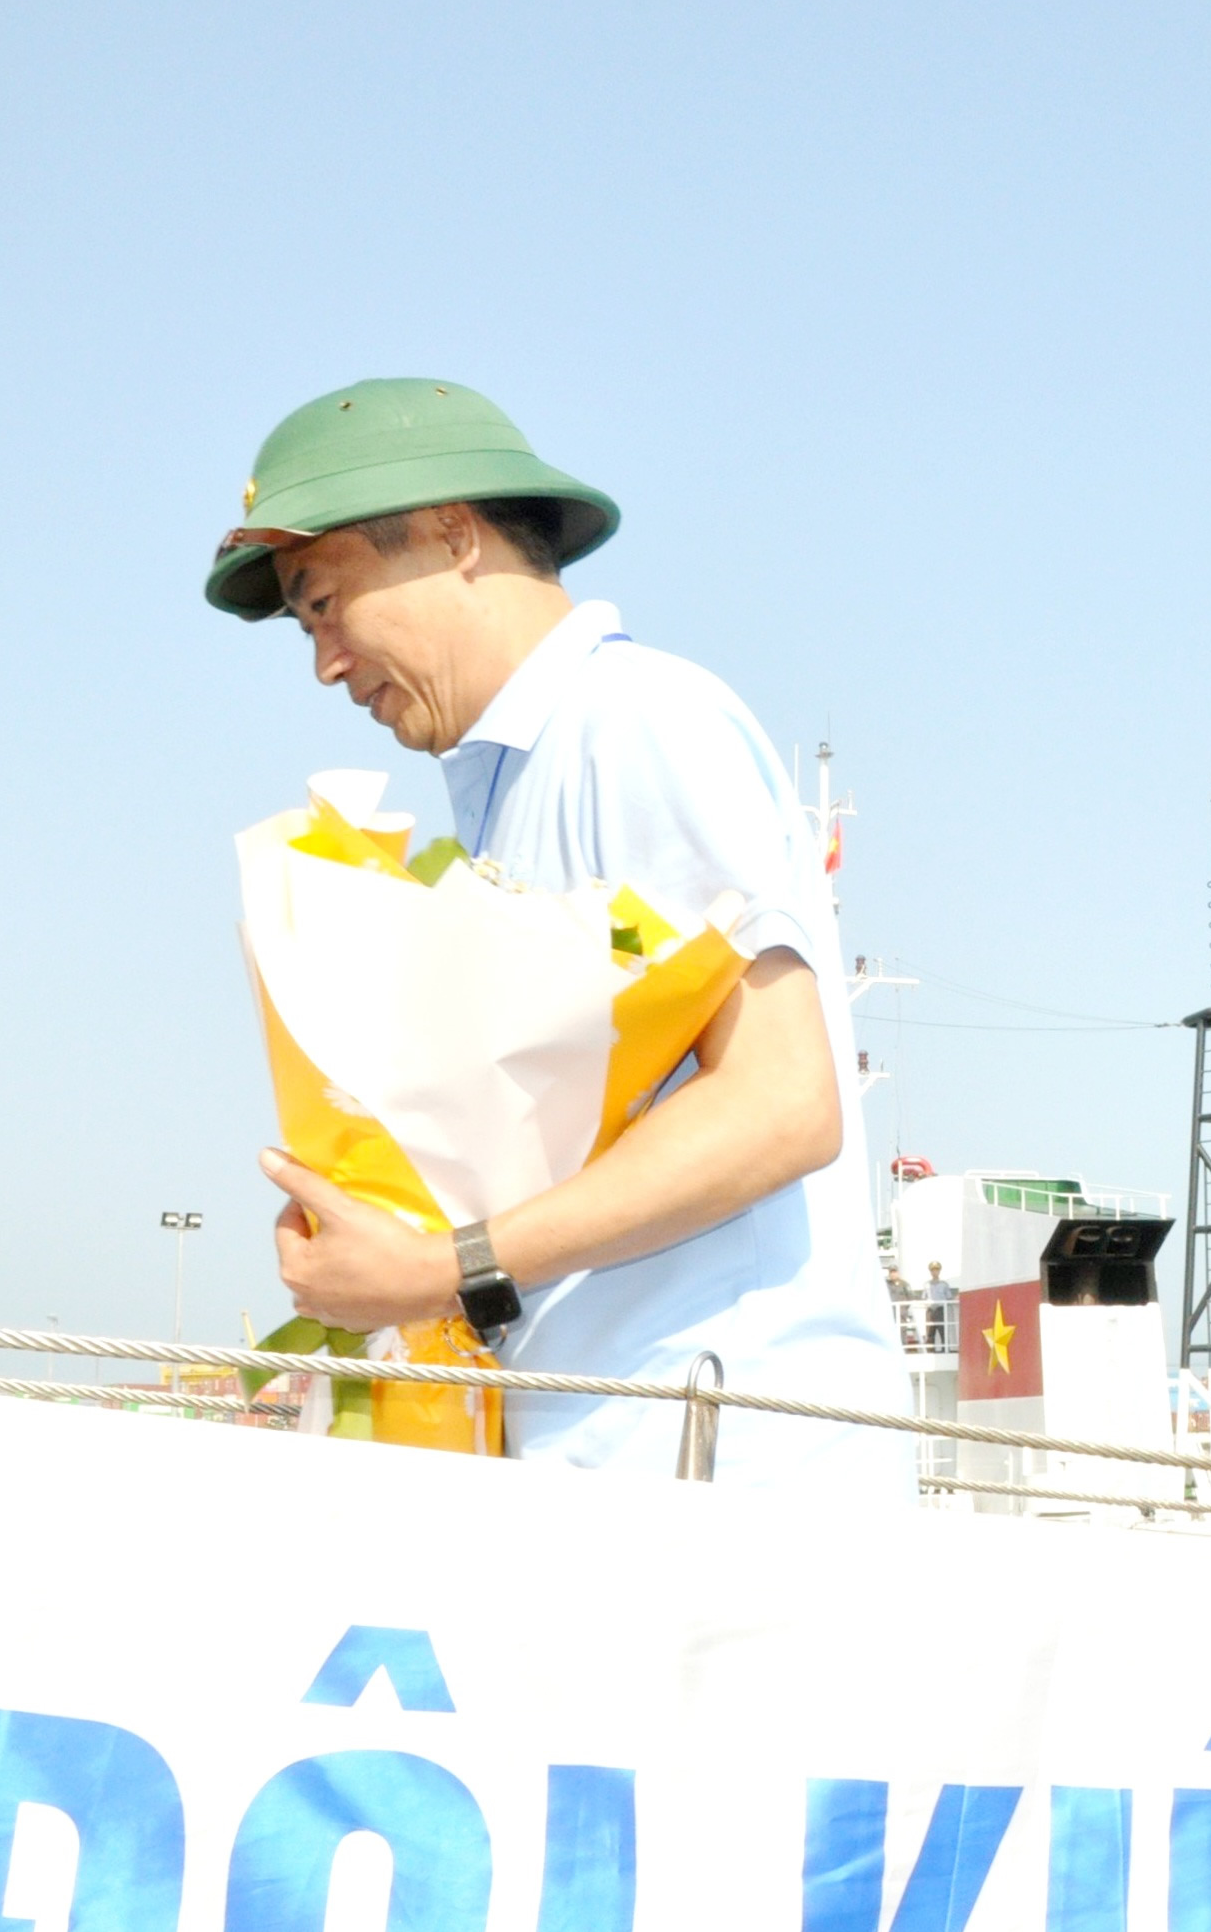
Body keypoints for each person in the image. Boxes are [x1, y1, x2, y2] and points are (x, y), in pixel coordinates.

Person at [207, 378, 909, 1494]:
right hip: (617, 1450)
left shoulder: (634, 721)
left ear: (451, 535)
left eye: (324, 603)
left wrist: (442, 1268)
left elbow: (784, 1102)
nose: (324, 663)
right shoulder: (514, 783)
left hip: (719, 1459)